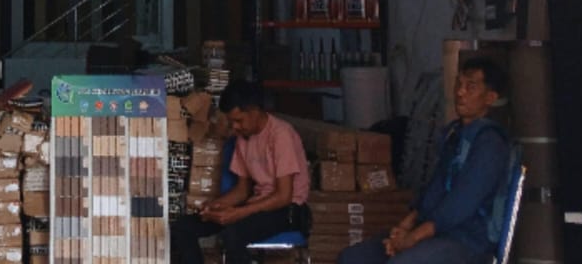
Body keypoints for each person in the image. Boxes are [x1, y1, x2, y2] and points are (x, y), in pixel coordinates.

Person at [338, 57, 512, 264]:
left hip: (469, 240)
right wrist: (403, 229)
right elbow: (433, 192)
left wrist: (412, 239)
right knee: (353, 258)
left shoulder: (490, 144)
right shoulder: (455, 135)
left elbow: (459, 206)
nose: (460, 92)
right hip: (436, 234)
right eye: (459, 84)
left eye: (471, 87)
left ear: (490, 97)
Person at [171, 81, 311, 264]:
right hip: (257, 204)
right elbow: (242, 190)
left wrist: (239, 213)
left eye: (239, 120)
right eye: (231, 122)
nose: (235, 127)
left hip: (288, 211)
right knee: (183, 227)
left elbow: (284, 196)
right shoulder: (243, 138)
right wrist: (214, 206)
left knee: (233, 233)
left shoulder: (281, 134)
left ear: (254, 111)